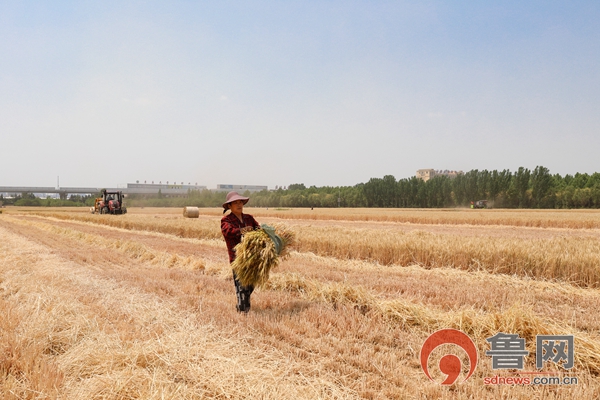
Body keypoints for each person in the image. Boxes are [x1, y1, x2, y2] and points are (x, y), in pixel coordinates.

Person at [221, 191, 260, 313]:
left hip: (252, 258)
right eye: (235, 203)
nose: (239, 205)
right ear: (229, 206)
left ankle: (241, 305)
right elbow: (229, 232)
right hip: (238, 259)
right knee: (242, 287)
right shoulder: (226, 220)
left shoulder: (249, 218)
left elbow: (259, 229)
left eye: (240, 202)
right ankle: (243, 310)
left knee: (251, 284)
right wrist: (243, 230)